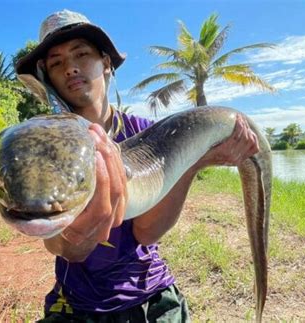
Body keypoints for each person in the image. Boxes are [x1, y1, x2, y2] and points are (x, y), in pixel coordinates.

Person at [15, 9, 259, 323]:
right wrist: (80, 232)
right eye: (56, 62)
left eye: (81, 54)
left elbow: (146, 232)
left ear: (105, 63)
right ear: (47, 78)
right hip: (77, 303)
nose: (71, 68)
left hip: (149, 296)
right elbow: (67, 250)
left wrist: (192, 163)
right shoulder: (46, 145)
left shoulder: (150, 133)